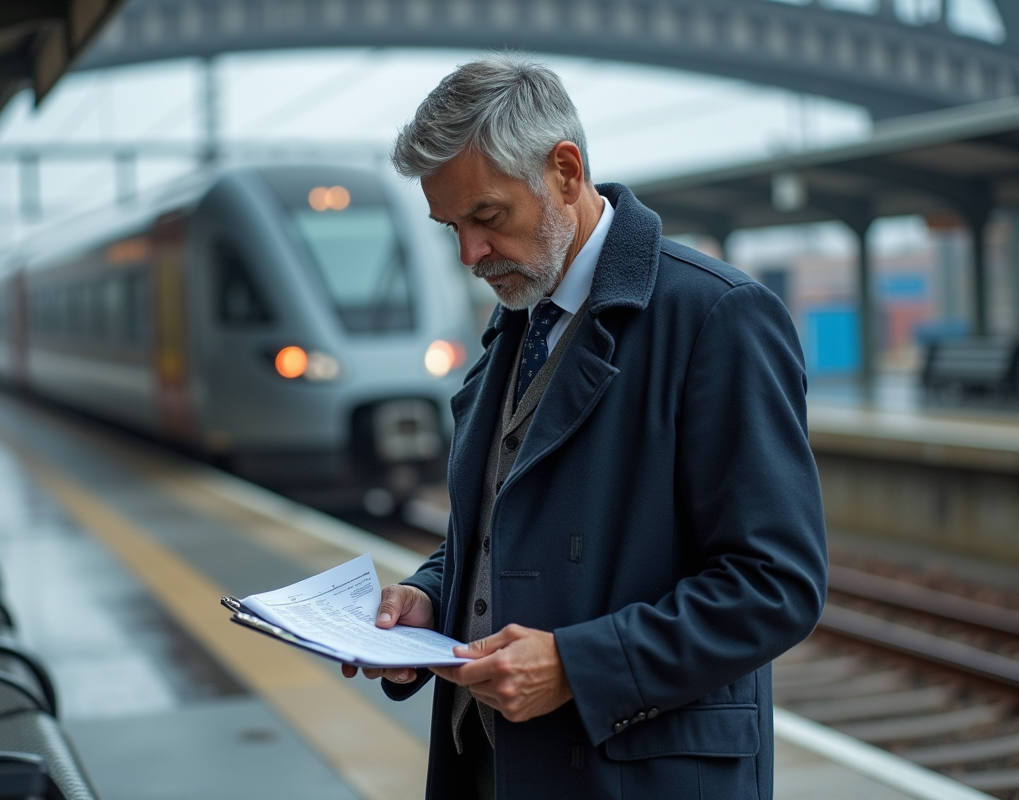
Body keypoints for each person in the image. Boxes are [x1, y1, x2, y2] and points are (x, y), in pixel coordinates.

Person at [341, 55, 827, 799]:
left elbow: (777, 585)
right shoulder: (518, 320)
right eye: (452, 228)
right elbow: (509, 521)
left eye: (488, 217)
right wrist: (432, 596)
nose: (469, 254)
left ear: (565, 172)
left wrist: (577, 665)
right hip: (496, 772)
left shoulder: (718, 317)